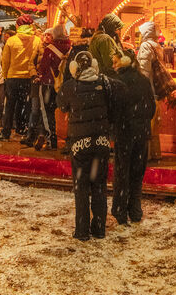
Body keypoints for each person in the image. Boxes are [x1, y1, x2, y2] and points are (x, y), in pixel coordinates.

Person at [57, 50, 126, 240]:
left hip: (80, 144)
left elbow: (61, 104)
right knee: (99, 186)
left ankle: (82, 230)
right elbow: (119, 94)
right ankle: (99, 229)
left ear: (74, 68)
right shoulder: (104, 84)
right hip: (102, 143)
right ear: (94, 66)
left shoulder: (70, 87)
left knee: (81, 188)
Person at [111, 50, 156, 225]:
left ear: (123, 62)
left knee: (122, 172)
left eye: (115, 62)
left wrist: (116, 126)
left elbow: (114, 109)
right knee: (137, 172)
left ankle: (120, 209)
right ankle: (135, 209)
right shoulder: (143, 80)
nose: (113, 65)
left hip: (124, 133)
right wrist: (142, 122)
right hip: (142, 133)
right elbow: (151, 108)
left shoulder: (117, 82)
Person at [25, 23, 71, 150]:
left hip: (48, 84)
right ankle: (67, 140)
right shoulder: (70, 47)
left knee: (47, 112)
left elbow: (43, 67)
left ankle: (51, 140)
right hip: (64, 85)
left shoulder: (50, 48)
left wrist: (39, 75)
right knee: (65, 113)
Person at [0, 15, 43, 141]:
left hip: (13, 77)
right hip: (29, 78)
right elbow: (39, 59)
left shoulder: (11, 40)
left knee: (10, 106)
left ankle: (6, 133)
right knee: (28, 106)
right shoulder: (37, 40)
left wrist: (6, 76)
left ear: (18, 26)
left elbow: (5, 61)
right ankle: (25, 131)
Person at [137, 20, 163, 160]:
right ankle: (155, 153)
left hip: (148, 90)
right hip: (156, 91)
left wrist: (141, 89)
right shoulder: (157, 46)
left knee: (146, 124)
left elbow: (144, 71)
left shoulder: (145, 47)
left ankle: (145, 155)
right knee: (154, 126)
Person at [89, 12, 124, 77]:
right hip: (107, 77)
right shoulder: (105, 39)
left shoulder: (97, 37)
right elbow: (110, 63)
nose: (118, 32)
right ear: (111, 27)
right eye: (117, 29)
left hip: (98, 75)